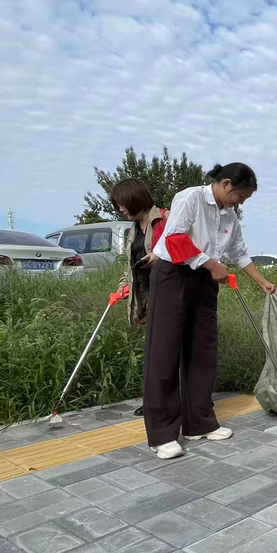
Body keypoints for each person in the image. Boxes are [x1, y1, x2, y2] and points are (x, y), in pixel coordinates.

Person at [144, 163, 277, 459]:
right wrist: (212, 264)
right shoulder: (190, 198)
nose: (240, 203)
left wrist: (263, 282)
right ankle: (162, 434)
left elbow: (239, 253)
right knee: (164, 353)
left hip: (205, 282)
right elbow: (175, 239)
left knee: (203, 352)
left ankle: (199, 423)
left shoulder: (230, 216)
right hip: (173, 276)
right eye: (240, 196)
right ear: (226, 183)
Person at [113, 179, 169, 417]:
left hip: (168, 294)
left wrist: (161, 256)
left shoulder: (165, 219)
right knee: (154, 351)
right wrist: (123, 286)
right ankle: (155, 400)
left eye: (122, 203)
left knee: (168, 351)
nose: (120, 209)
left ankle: (175, 401)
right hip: (145, 295)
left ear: (135, 198)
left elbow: (183, 252)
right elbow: (130, 264)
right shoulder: (133, 230)